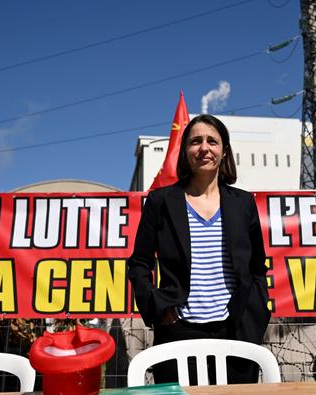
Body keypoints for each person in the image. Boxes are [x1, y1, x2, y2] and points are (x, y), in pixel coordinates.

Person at [127, 114, 270, 384]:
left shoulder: (243, 203)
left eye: (212, 141)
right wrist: (157, 307)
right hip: (177, 331)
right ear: (185, 150)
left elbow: (257, 267)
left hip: (236, 331)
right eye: (195, 141)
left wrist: (255, 313)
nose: (204, 147)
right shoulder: (161, 201)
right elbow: (139, 263)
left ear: (224, 150)